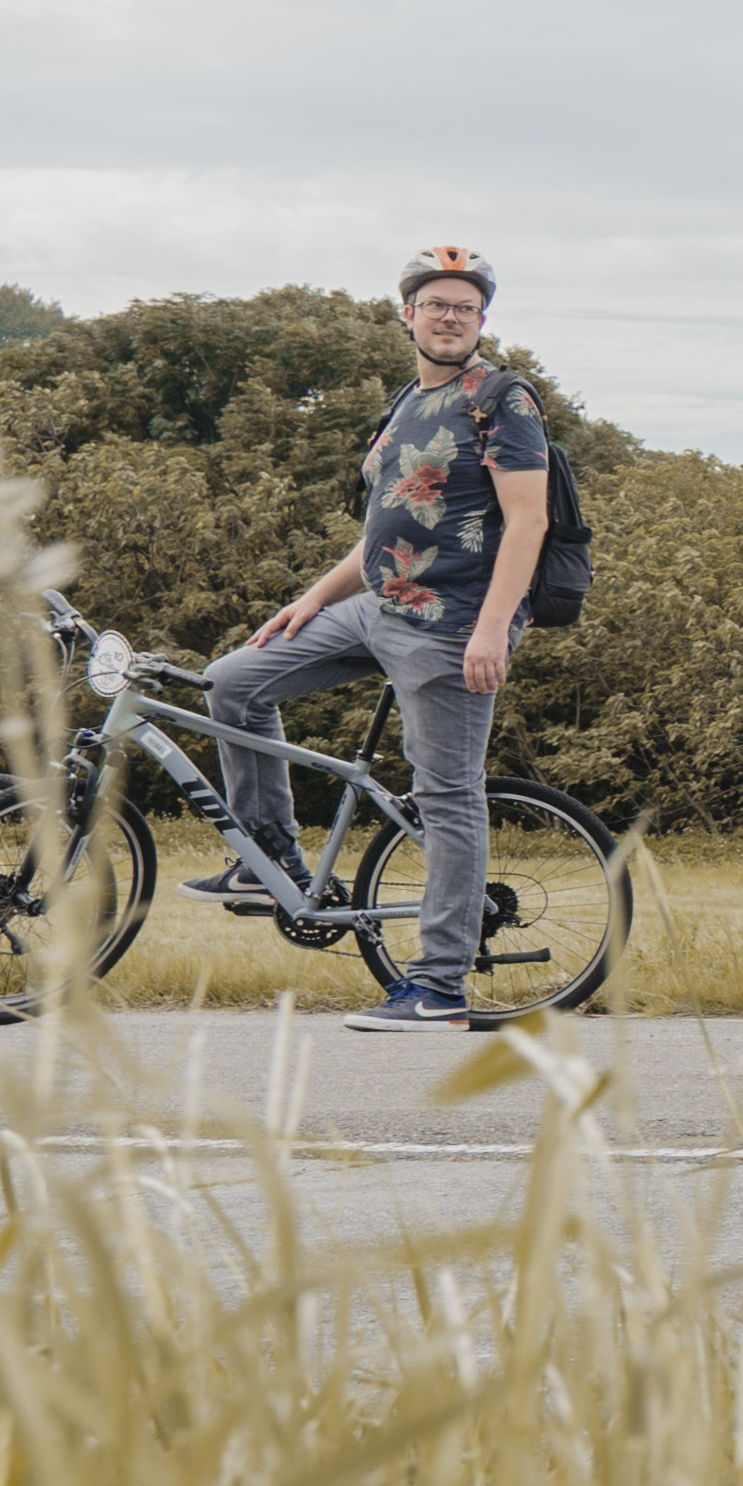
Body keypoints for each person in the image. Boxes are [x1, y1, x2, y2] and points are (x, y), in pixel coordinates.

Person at [194, 248, 553, 1035]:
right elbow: (389, 529)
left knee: (446, 797)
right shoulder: (405, 403)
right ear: (408, 314)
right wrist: (311, 599)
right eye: (436, 304)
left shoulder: (502, 399)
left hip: (453, 625)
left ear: (481, 319)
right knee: (232, 683)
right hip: (378, 606)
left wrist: (494, 626)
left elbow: (528, 519)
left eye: (465, 306)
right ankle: (270, 859)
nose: (450, 315)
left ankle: (439, 986)